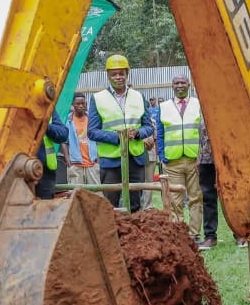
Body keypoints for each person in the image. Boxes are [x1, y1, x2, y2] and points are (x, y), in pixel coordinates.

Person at [88, 54, 154, 212]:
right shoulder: (98, 98)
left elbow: (148, 126)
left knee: (136, 205)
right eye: (114, 74)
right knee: (111, 206)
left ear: (127, 74)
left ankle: (136, 237)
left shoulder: (138, 96)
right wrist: (117, 137)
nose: (118, 77)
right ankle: (114, 236)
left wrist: (138, 133)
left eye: (121, 73)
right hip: (111, 162)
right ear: (108, 76)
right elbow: (92, 132)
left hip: (135, 159)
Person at [158, 75, 204, 244]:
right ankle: (179, 234)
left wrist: (201, 155)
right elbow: (160, 134)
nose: (179, 86)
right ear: (172, 85)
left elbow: (203, 131)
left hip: (194, 160)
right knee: (175, 199)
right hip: (173, 160)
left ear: (188, 85)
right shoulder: (163, 107)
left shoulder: (198, 104)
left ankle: (194, 235)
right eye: (176, 83)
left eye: (182, 83)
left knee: (195, 197)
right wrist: (162, 156)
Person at [65, 93, 100, 186]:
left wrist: (98, 158)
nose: (81, 106)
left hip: (92, 163)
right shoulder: (68, 120)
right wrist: (68, 160)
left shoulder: (92, 119)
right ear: (73, 105)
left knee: (95, 194)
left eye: (83, 103)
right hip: (75, 164)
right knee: (76, 194)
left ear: (86, 104)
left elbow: (98, 139)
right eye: (78, 104)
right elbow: (64, 142)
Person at [35, 109, 69, 200]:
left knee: (44, 209)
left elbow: (63, 133)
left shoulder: (48, 108)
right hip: (17, 173)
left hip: (45, 175)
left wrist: (45, 126)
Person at [197, 119, 219, 250]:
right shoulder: (202, 109)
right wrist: (199, 157)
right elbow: (200, 136)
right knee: (208, 198)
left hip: (226, 157)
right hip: (206, 159)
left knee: (232, 196)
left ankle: (240, 234)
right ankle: (210, 236)